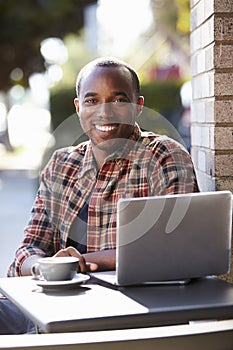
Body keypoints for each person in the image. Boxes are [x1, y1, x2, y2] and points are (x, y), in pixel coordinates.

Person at [0, 57, 199, 334]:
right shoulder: (61, 164)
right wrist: (45, 266)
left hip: (129, 313)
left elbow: (174, 250)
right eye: (92, 101)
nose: (104, 113)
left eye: (118, 100)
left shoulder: (163, 156)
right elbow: (26, 252)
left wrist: (80, 263)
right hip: (53, 308)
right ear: (78, 107)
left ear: (137, 106)